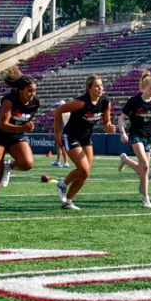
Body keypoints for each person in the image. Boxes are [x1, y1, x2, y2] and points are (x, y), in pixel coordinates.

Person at [51, 75, 115, 210]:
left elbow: (106, 121)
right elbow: (59, 110)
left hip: (86, 139)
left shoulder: (105, 102)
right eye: (96, 86)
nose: (100, 88)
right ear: (89, 89)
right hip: (72, 136)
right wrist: (57, 132)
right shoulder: (81, 102)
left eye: (101, 85)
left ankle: (68, 201)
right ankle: (63, 184)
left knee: (85, 173)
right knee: (84, 169)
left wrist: (109, 126)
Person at [0, 66, 40, 214]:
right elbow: (3, 125)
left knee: (27, 163)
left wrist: (27, 127)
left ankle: (9, 167)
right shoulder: (9, 100)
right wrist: (23, 128)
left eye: (34, 91)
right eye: (29, 91)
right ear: (20, 90)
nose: (33, 94)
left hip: (15, 134)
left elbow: (26, 121)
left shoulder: (35, 103)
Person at [118, 70, 151, 208]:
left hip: (148, 137)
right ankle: (145, 198)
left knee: (143, 169)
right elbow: (121, 118)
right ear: (144, 87)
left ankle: (126, 160)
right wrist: (122, 132)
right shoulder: (134, 101)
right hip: (135, 135)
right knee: (145, 165)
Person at [51, 100, 71, 168]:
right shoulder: (68, 112)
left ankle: (66, 162)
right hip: (65, 131)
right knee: (60, 147)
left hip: (60, 132)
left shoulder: (60, 112)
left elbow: (57, 124)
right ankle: (58, 161)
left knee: (61, 147)